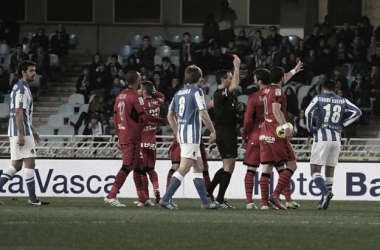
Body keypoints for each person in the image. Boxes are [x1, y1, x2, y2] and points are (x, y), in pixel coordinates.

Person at [159, 65, 220, 210]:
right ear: (198, 78)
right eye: (201, 77)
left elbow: (169, 115)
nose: (202, 81)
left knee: (198, 166)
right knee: (184, 167)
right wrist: (212, 131)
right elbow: (203, 113)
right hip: (191, 136)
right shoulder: (196, 91)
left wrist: (177, 132)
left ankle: (205, 202)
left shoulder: (178, 93)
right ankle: (165, 199)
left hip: (184, 135)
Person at [104, 71, 166, 207]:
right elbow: (144, 116)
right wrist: (164, 120)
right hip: (132, 136)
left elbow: (115, 119)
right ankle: (111, 195)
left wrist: (119, 137)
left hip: (124, 134)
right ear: (137, 79)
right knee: (127, 166)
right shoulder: (135, 97)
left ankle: (143, 199)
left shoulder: (120, 96)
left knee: (139, 166)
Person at [305, 80, 361, 210]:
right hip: (336, 139)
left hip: (322, 137)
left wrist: (311, 128)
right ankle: (323, 201)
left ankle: (325, 193)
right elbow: (357, 112)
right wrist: (343, 124)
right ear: (335, 89)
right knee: (329, 170)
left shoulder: (319, 98)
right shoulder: (342, 100)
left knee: (315, 170)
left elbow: (308, 112)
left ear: (323, 88)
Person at [0, 61, 50, 206]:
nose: (34, 73)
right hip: (20, 131)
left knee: (16, 165)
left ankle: (32, 198)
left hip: (20, 130)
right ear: (23, 72)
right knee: (30, 163)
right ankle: (33, 199)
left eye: (34, 70)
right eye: (31, 70)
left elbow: (24, 114)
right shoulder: (21, 89)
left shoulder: (21, 88)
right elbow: (18, 112)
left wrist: (33, 130)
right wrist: (22, 134)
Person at [259, 66, 302, 210]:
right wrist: (286, 127)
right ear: (282, 78)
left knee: (267, 167)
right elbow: (276, 111)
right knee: (292, 165)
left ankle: (264, 203)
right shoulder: (278, 91)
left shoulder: (266, 90)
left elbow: (281, 79)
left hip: (265, 133)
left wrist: (294, 70)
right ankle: (276, 195)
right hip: (277, 133)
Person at [206, 57, 241, 209]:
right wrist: (237, 68)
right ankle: (219, 200)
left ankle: (209, 192)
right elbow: (234, 86)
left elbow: (212, 106)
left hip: (228, 132)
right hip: (225, 132)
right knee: (229, 166)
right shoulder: (220, 92)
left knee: (227, 166)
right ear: (223, 80)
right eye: (230, 77)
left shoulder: (225, 97)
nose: (232, 79)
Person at [136, 81, 165, 205]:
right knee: (151, 169)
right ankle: (156, 188)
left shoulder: (140, 103)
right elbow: (162, 96)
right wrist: (153, 91)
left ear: (144, 91)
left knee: (141, 171)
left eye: (140, 89)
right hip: (152, 142)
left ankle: (145, 199)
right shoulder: (157, 101)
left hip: (141, 141)